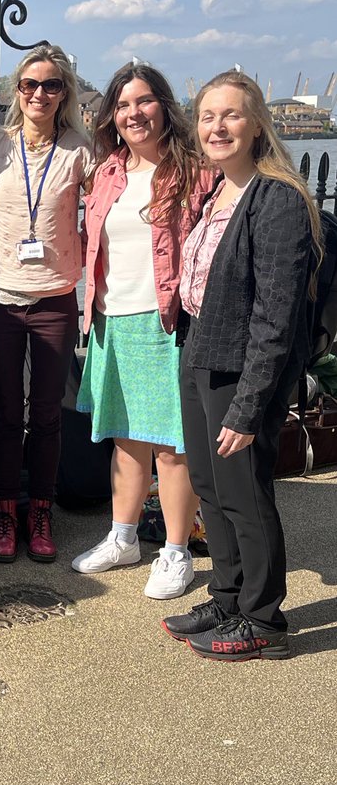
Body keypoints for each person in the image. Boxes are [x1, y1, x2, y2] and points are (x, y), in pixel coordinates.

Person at [163, 71, 317, 660]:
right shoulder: (215, 191)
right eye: (207, 116)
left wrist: (250, 405)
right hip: (201, 351)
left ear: (256, 124)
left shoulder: (276, 200)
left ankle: (262, 617)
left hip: (241, 368)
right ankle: (227, 594)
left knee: (244, 492)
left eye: (230, 115)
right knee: (208, 485)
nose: (217, 127)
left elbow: (275, 318)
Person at [73, 63, 207, 599]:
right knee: (127, 442)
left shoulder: (196, 172)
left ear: (164, 106)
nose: (134, 113)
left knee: (173, 446)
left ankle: (176, 551)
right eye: (124, 104)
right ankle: (123, 536)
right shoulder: (106, 172)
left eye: (145, 101)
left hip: (167, 320)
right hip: (112, 319)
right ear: (112, 115)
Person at [0, 44, 90, 564]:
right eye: (30, 85)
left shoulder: (79, 149)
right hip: (1, 297)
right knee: (7, 413)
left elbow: (111, 209)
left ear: (64, 92)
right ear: (17, 92)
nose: (40, 94)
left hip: (55, 298)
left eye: (51, 85)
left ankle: (40, 510)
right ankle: (7, 509)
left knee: (47, 413)